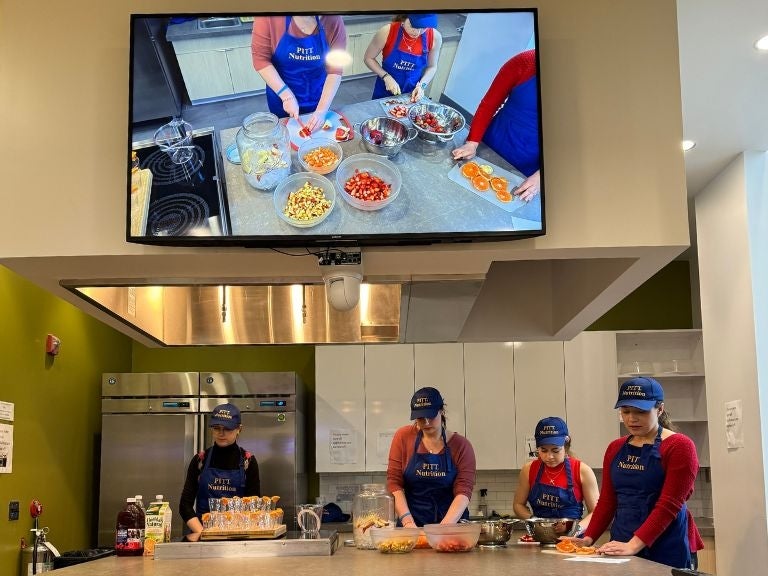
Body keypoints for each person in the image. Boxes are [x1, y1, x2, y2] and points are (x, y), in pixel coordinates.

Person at [570, 377, 703, 568]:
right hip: (622, 542)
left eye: (640, 411)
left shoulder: (680, 446)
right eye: (625, 411)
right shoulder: (615, 448)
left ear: (660, 409)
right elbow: (608, 500)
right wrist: (588, 538)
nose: (631, 418)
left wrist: (633, 545)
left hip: (666, 545)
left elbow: (669, 505)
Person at [452, 49, 541, 202]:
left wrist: (541, 177)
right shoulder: (526, 61)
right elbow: (489, 104)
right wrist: (472, 142)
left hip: (527, 170)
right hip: (490, 146)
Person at [386, 387, 476, 527]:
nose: (426, 422)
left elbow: (464, 491)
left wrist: (443, 528)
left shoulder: (461, 446)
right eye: (421, 418)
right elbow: (394, 484)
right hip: (412, 525)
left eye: (431, 416)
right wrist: (408, 522)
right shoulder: (403, 437)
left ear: (441, 411)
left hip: (452, 526)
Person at [251, 15, 347, 132]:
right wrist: (286, 96)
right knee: (286, 138)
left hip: (318, 97)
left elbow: (335, 69)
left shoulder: (333, 19)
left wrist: (321, 110)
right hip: (281, 98)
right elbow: (261, 59)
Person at [179, 403, 260, 541]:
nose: (221, 433)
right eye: (217, 428)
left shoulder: (248, 462)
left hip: (238, 537)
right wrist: (205, 533)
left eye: (227, 429)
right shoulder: (200, 460)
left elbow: (254, 506)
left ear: (239, 429)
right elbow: (185, 505)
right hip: (202, 535)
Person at [512, 417, 599, 533]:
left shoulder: (582, 471)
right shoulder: (529, 470)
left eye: (555, 450)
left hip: (572, 541)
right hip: (540, 537)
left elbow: (597, 512)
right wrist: (535, 521)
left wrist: (574, 529)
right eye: (543, 450)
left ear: (566, 445)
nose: (549, 456)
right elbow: (518, 504)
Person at [364, 14, 443, 102]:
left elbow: (432, 67)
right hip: (385, 90)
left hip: (412, 94)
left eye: (423, 28)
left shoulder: (434, 37)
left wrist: (421, 86)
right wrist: (386, 77)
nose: (417, 32)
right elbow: (368, 58)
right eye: (413, 26)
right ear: (403, 18)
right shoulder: (387, 31)